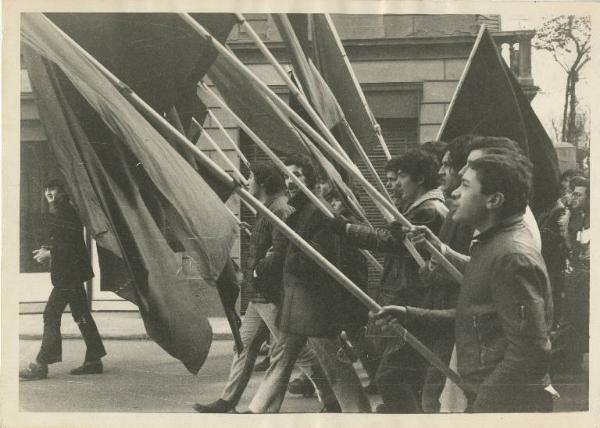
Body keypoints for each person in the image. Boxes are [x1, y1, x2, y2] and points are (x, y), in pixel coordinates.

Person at [378, 150, 554, 412]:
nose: (454, 193)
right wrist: (409, 315)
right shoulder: (491, 244)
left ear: (494, 200)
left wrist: (483, 407)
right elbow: (478, 317)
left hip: (505, 407)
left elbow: (530, 352)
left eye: (465, 186)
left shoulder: (511, 257)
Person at [194, 162, 337, 413]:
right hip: (259, 295)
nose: (249, 181)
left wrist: (259, 268)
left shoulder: (280, 208)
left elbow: (281, 250)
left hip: (272, 294)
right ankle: (228, 400)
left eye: (251, 177)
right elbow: (271, 243)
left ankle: (330, 400)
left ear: (263, 182)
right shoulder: (268, 208)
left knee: (295, 352)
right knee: (245, 345)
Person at [247, 155, 371, 413]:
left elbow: (324, 257)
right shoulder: (299, 209)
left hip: (315, 305)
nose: (292, 182)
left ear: (311, 180)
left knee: (335, 368)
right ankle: (258, 413)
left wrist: (288, 264)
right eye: (288, 176)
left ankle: (359, 415)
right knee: (280, 362)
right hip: (297, 303)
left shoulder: (320, 211)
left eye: (298, 175)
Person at [329, 149, 448, 413]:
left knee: (389, 376)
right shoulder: (422, 207)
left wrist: (348, 229)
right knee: (407, 376)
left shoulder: (427, 210)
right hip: (411, 298)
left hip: (413, 300)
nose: (393, 184)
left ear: (420, 178)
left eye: (400, 177)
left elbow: (393, 243)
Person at [20, 179, 106, 380]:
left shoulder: (64, 210)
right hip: (72, 273)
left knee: (51, 314)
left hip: (68, 275)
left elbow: (70, 246)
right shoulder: (61, 209)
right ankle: (94, 359)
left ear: (62, 191)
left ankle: (41, 364)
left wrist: (50, 254)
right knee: (81, 314)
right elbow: (66, 242)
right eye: (46, 189)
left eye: (53, 189)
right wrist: (49, 250)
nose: (49, 192)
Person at [562, 176, 590, 372]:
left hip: (581, 274)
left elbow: (579, 250)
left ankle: (575, 358)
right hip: (572, 273)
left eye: (579, 194)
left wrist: (564, 233)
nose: (574, 198)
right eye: (572, 193)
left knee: (578, 316)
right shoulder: (571, 214)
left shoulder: (589, 220)